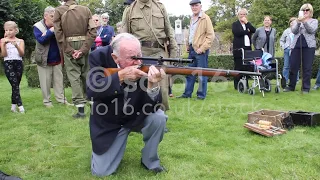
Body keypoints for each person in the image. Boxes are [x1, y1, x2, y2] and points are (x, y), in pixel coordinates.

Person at [87, 33, 167, 177]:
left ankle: (149, 161)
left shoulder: (145, 62)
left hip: (136, 116)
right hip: (110, 122)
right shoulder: (98, 57)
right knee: (101, 172)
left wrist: (152, 85)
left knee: (159, 118)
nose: (138, 61)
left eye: (139, 55)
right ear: (115, 58)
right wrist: (120, 76)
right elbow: (92, 90)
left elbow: (154, 106)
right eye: (132, 58)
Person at [122, 0, 178, 112]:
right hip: (139, 53)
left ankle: (162, 117)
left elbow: (169, 30)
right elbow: (124, 34)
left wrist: (173, 52)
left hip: (159, 52)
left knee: (162, 87)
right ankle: (141, 117)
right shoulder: (130, 10)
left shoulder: (160, 7)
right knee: (140, 86)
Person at [53, 0, 96, 118]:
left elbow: (58, 33)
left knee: (74, 77)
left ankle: (81, 110)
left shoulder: (59, 11)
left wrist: (70, 50)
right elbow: (93, 31)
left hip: (68, 45)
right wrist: (83, 49)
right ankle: (93, 106)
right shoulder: (85, 10)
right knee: (87, 75)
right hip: (85, 44)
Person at [177, 0, 214, 100]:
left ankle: (201, 96)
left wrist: (202, 48)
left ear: (200, 6)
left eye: (196, 5)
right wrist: (188, 45)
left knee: (202, 74)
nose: (194, 7)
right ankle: (187, 94)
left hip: (200, 51)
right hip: (192, 50)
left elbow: (211, 36)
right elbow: (192, 34)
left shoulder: (205, 18)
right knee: (190, 73)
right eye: (192, 6)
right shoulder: (192, 18)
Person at [33, 6, 70, 108]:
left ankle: (61, 100)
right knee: (45, 83)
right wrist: (51, 31)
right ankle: (47, 102)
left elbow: (63, 37)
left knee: (59, 82)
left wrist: (51, 32)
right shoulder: (38, 26)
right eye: (52, 16)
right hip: (44, 60)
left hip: (57, 59)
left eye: (55, 16)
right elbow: (41, 40)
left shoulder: (58, 25)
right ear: (45, 16)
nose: (54, 18)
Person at [283, 3, 318, 93]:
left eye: (307, 10)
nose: (305, 11)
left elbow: (311, 30)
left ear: (310, 11)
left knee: (307, 67)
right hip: (296, 45)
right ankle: (291, 86)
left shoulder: (314, 21)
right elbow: (294, 31)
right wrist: (298, 22)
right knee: (293, 66)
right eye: (303, 10)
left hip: (309, 46)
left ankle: (306, 88)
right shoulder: (297, 21)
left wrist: (304, 22)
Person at [0, 21, 25, 113]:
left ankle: (13, 106)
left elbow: (22, 54)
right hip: (8, 63)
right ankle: (20, 105)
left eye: (10, 30)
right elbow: (4, 54)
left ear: (15, 30)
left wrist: (16, 46)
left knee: (16, 85)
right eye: (6, 30)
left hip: (18, 63)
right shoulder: (2, 40)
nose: (8, 32)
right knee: (14, 84)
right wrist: (3, 45)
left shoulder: (20, 41)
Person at [231, 8, 256, 90]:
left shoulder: (247, 24)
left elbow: (253, 30)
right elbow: (237, 33)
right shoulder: (235, 24)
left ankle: (246, 84)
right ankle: (237, 84)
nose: (242, 16)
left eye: (244, 14)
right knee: (238, 66)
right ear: (238, 15)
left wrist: (247, 23)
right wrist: (247, 31)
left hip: (247, 48)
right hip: (238, 48)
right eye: (241, 14)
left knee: (246, 66)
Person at [280, 17, 299, 85]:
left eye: (294, 22)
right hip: (287, 50)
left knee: (295, 65)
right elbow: (281, 40)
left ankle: (295, 80)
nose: (293, 23)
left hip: (296, 50)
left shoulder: (298, 31)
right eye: (291, 22)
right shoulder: (286, 31)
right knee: (286, 66)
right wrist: (284, 47)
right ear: (290, 23)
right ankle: (285, 80)